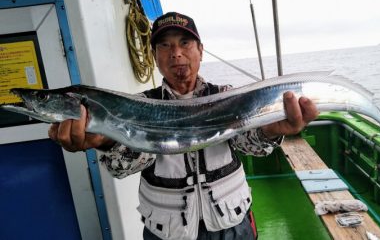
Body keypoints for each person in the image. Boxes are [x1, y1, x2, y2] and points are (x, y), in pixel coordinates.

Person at [48, 12, 319, 240]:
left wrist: (271, 130)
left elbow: (248, 144)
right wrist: (106, 141)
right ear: (155, 56)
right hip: (168, 232)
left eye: (185, 42)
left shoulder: (226, 96)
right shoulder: (140, 105)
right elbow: (123, 168)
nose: (176, 53)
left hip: (233, 224)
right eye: (164, 45)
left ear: (200, 49)